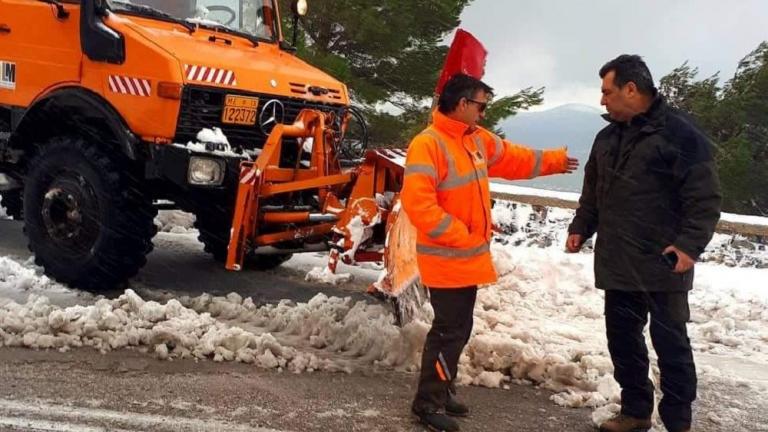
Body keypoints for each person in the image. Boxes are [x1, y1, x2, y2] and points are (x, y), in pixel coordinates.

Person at [401, 73, 579, 432]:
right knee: (449, 331)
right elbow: (419, 205)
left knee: (459, 329)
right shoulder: (429, 144)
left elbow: (514, 158)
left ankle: (443, 387)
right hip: (446, 258)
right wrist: (463, 236)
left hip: (465, 259)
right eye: (480, 106)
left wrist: (555, 161)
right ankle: (428, 403)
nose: (483, 114)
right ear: (462, 104)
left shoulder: (473, 140)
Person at [566, 55, 721, 432]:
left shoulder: (681, 135)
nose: (603, 100)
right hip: (618, 261)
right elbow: (594, 193)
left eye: (607, 91)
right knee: (623, 343)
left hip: (663, 262)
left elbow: (705, 199)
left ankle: (678, 421)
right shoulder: (606, 138)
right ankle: (635, 412)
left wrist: (687, 247)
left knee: (671, 347)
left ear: (631, 89)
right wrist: (581, 227)